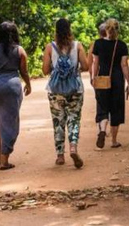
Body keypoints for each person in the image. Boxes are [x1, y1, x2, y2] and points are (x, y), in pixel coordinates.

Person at [0, 21, 32, 170]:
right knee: (11, 121)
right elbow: (24, 72)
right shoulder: (20, 51)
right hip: (12, 87)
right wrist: (28, 84)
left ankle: (0, 153)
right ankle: (4, 159)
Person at [43, 18, 89, 168]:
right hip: (75, 89)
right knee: (74, 120)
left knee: (58, 121)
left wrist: (55, 69)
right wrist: (74, 69)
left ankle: (60, 155)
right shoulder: (78, 46)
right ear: (70, 30)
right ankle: (73, 147)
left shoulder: (50, 47)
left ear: (56, 31)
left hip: (55, 91)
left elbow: (44, 70)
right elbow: (86, 66)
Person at [91, 18, 129, 149]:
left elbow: (95, 63)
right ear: (118, 30)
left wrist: (93, 77)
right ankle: (113, 141)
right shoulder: (122, 45)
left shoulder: (98, 43)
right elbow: (124, 64)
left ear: (105, 29)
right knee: (116, 109)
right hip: (117, 80)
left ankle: (102, 130)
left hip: (102, 79)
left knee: (102, 107)